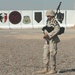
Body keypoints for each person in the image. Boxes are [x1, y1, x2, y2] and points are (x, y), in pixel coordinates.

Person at [37, 10, 60, 74]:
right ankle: (46, 68)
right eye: (47, 16)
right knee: (45, 54)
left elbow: (57, 29)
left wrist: (49, 35)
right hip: (47, 41)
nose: (48, 17)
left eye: (49, 16)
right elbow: (46, 28)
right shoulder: (48, 21)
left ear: (52, 15)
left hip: (53, 40)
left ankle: (53, 69)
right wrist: (45, 32)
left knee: (52, 54)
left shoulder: (55, 22)